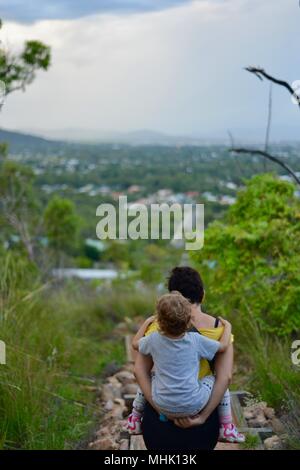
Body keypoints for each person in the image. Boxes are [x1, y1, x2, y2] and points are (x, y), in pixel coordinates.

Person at [127, 267, 244, 444]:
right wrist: (203, 417)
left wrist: (161, 409)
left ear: (171, 297)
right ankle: (227, 428)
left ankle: (133, 419)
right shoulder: (219, 329)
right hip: (201, 415)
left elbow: (139, 371)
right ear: (202, 295)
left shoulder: (157, 329)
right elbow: (225, 377)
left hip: (160, 418)